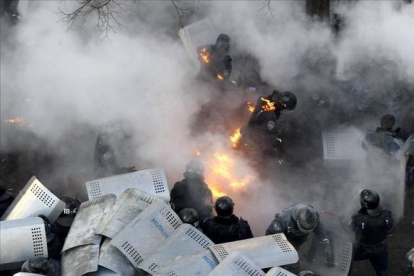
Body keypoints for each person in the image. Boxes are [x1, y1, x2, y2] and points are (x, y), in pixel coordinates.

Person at [266, 204, 334, 267]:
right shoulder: (283, 219)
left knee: (294, 253)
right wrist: (281, 250)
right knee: (285, 258)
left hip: (300, 237)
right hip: (285, 234)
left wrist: (326, 246)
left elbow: (322, 233)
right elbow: (270, 233)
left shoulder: (315, 217)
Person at [349, 189, 393, 276]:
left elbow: (350, 228)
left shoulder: (358, 219)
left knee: (347, 262)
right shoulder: (387, 215)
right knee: (383, 270)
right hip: (380, 249)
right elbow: (390, 227)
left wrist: (342, 220)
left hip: (362, 249)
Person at [239, 90, 297, 154]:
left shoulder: (264, 101)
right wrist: (275, 139)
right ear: (283, 106)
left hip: (247, 132)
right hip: (251, 143)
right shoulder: (271, 116)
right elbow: (262, 136)